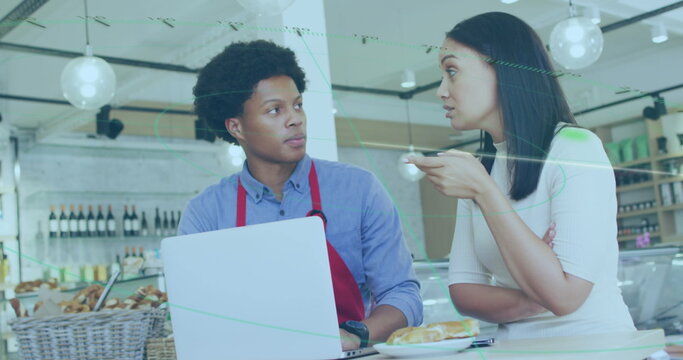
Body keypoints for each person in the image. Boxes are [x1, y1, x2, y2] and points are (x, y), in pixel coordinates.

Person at [181, 40, 422, 350]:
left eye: (297, 105)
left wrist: (354, 336)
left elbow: (402, 293)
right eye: (274, 110)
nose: (295, 119)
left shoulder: (359, 190)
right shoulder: (206, 213)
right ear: (236, 127)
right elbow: (197, 316)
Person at [408, 12, 635, 340]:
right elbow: (463, 291)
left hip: (592, 347)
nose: (441, 91)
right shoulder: (482, 169)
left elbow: (565, 297)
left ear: (503, 70)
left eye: (452, 72)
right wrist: (537, 293)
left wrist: (486, 193)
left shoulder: (575, 148)